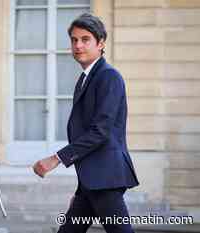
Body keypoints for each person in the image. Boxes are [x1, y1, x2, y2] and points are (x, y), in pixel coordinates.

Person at [33, 13, 139, 233]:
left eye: (85, 39)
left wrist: (56, 159)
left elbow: (100, 131)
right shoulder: (86, 78)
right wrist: (82, 188)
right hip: (92, 179)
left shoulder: (109, 76)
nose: (78, 45)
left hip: (105, 179)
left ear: (100, 43)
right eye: (74, 40)